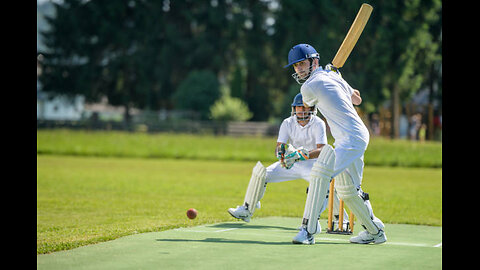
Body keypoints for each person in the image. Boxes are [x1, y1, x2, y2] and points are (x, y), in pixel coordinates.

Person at [283, 43, 386, 245]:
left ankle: (307, 231)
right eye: (296, 66)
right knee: (348, 190)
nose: (299, 69)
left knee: (320, 175)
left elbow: (310, 104)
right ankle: (375, 232)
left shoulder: (308, 87)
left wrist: (335, 77)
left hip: (351, 138)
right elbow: (357, 99)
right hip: (353, 137)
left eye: (302, 63)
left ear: (315, 61)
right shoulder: (333, 77)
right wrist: (339, 77)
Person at [228, 93, 350, 233]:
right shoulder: (287, 123)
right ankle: (247, 209)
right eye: (299, 107)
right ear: (294, 108)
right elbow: (279, 146)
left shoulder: (318, 123)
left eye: (305, 107)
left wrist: (302, 155)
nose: (302, 110)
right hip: (291, 163)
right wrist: (281, 153)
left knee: (323, 185)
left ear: (312, 109)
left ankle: (340, 219)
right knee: (262, 173)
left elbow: (322, 149)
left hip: (312, 164)